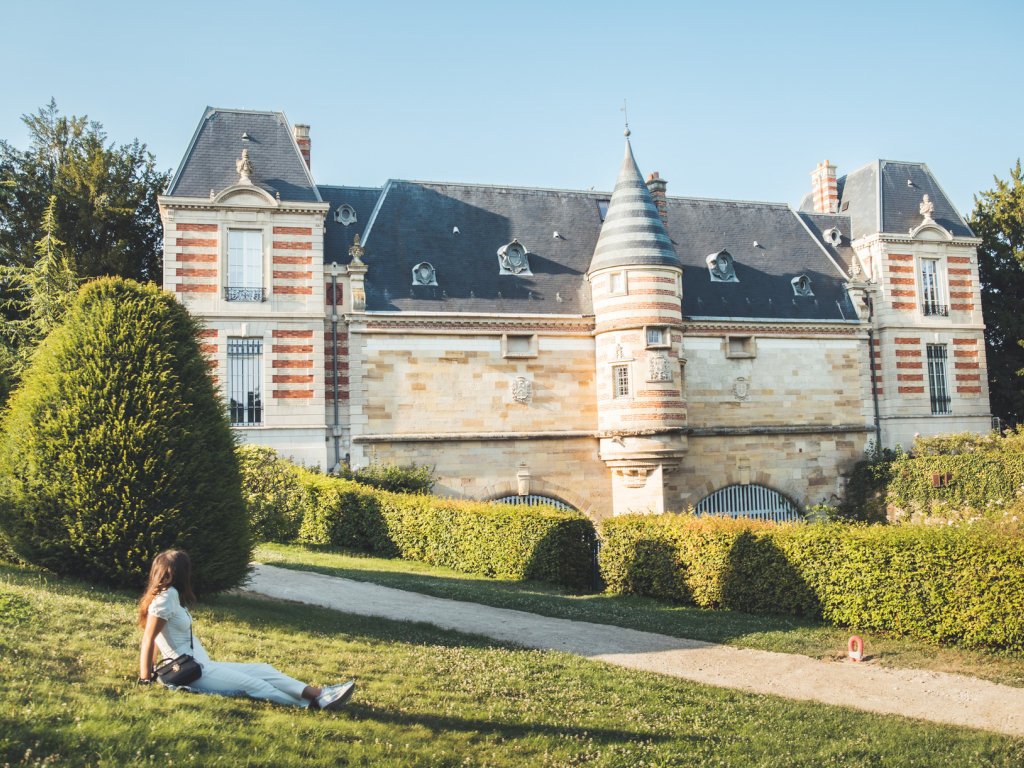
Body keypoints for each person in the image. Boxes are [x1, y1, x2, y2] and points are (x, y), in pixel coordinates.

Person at [137, 550, 354, 710]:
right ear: (179, 572)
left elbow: (154, 638)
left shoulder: (168, 596)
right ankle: (311, 704)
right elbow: (149, 639)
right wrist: (145, 678)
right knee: (257, 685)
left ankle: (320, 694)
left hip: (204, 665)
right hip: (194, 672)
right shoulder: (167, 597)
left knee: (263, 669)